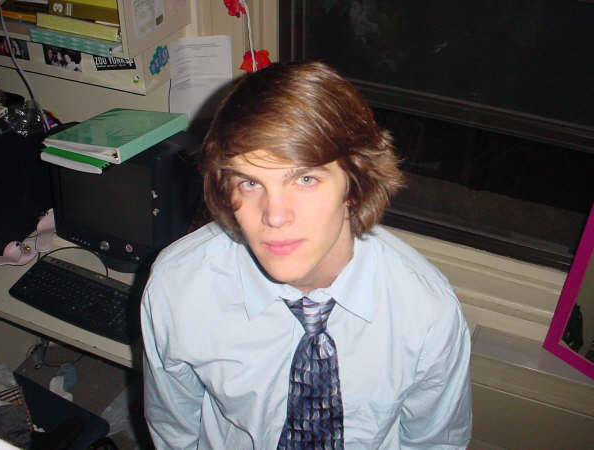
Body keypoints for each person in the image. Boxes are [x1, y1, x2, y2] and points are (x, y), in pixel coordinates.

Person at [141, 61, 472, 449]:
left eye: (305, 179)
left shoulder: (425, 312)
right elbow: (174, 430)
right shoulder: (178, 288)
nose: (274, 216)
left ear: (355, 185)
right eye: (249, 183)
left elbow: (436, 443)